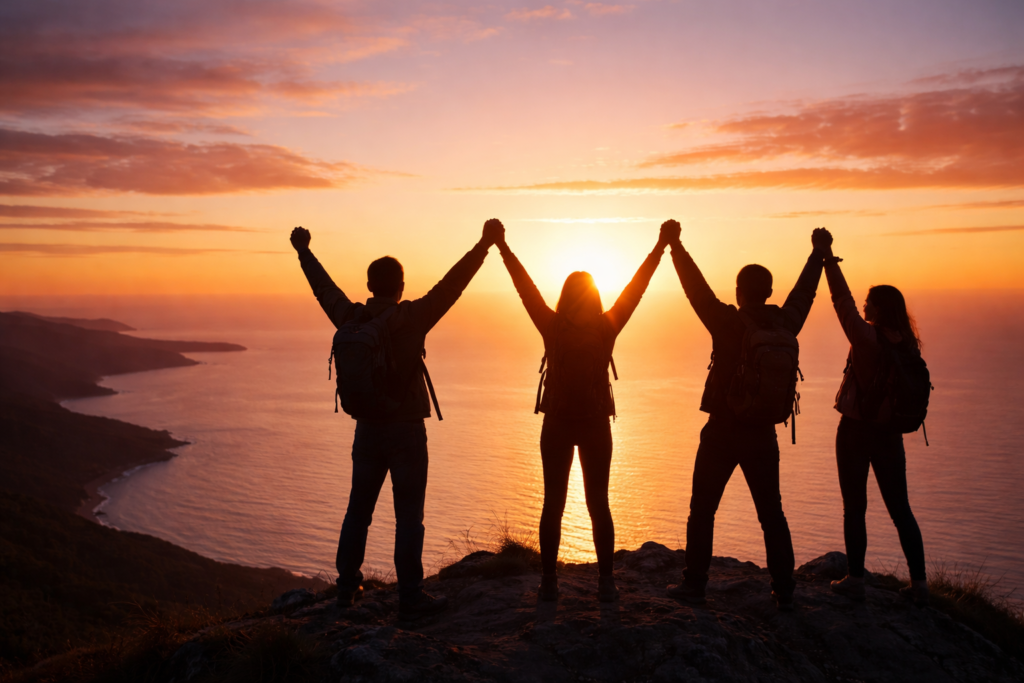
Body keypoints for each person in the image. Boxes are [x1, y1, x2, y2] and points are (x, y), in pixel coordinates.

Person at [289, 219, 504, 620]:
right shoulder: (413, 318)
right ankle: (410, 597)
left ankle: (345, 590)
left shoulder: (352, 319)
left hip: (367, 430)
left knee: (358, 511)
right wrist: (484, 245)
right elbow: (451, 286)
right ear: (400, 286)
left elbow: (325, 290)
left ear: (370, 287)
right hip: (406, 432)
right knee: (409, 517)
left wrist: (304, 251)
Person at [493, 220, 676, 602]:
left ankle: (548, 582)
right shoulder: (606, 326)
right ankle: (606, 584)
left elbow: (525, 289)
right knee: (599, 504)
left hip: (557, 423)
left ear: (565, 296)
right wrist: (661, 246)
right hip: (595, 424)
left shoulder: (552, 326)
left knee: (552, 504)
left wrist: (503, 248)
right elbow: (636, 290)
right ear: (593, 297)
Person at [663, 222, 832, 611]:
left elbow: (696, 290)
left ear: (739, 292)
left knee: (702, 509)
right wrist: (817, 254)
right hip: (762, 434)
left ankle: (694, 585)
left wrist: (675, 246)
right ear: (769, 292)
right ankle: (784, 589)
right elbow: (804, 294)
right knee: (771, 512)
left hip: (722, 430)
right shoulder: (786, 323)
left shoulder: (727, 322)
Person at [818, 235, 930, 606]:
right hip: (889, 435)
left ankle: (855, 578)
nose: (864, 306)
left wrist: (828, 259)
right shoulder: (907, 344)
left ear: (878, 310)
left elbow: (842, 303)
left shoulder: (868, 340)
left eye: (870, 303)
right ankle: (920, 584)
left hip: (855, 431)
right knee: (901, 510)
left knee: (855, 507)